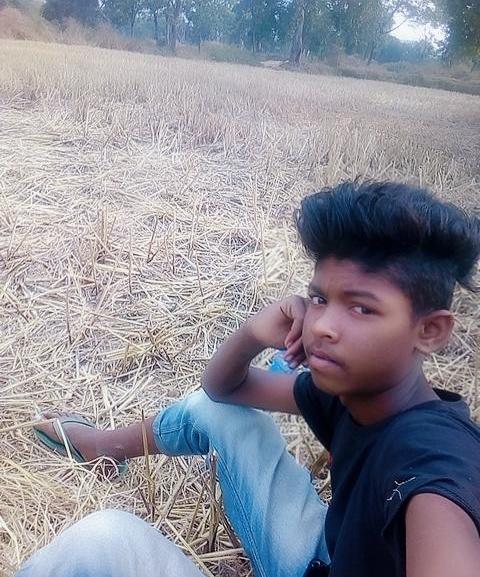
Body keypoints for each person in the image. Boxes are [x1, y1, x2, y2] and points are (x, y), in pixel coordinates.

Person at [18, 181, 480, 577]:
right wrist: (254, 333)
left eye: (361, 308)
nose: (322, 326)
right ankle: (104, 447)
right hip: (324, 556)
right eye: (320, 299)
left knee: (103, 540)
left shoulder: (434, 463)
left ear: (430, 331)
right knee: (211, 410)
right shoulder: (357, 391)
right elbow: (223, 390)